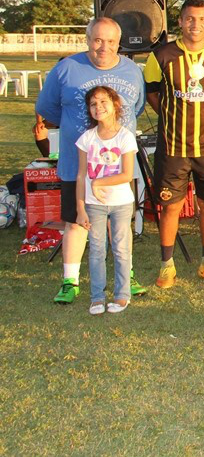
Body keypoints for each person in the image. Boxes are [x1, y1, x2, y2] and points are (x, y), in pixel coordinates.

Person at [36, 17, 146, 305]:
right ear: (88, 40)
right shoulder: (66, 69)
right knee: (76, 221)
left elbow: (137, 105)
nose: (104, 47)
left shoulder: (132, 70)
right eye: (98, 40)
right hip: (79, 165)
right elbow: (47, 108)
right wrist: (79, 128)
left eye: (110, 41)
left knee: (118, 224)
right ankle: (70, 281)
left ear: (118, 43)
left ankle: (127, 276)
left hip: (118, 170)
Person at [144, 0, 204, 288]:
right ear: (180, 22)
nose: (196, 24)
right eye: (190, 19)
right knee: (171, 206)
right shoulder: (161, 56)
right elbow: (153, 95)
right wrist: (175, 117)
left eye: (202, 19)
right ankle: (166, 266)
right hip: (174, 147)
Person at [75, 86, 138, 314]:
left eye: (103, 102)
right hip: (94, 205)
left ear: (115, 105)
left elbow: (126, 174)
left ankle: (122, 294)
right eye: (93, 104)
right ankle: (97, 297)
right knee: (96, 250)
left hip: (121, 203)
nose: (98, 107)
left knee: (121, 248)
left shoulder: (125, 137)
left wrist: (98, 183)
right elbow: (81, 175)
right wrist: (80, 208)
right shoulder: (87, 139)